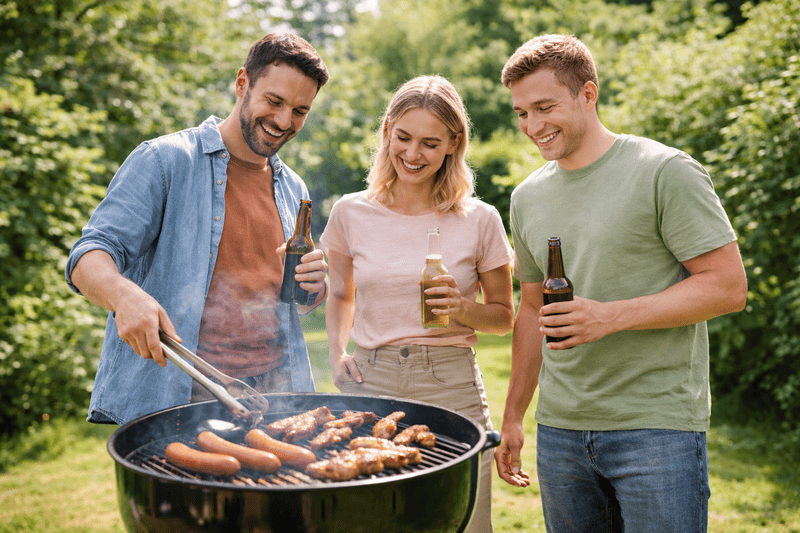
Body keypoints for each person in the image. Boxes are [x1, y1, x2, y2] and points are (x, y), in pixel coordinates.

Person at [493, 34, 748, 532]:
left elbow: (726, 287)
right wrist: (515, 416)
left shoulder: (665, 172)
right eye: (522, 113)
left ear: (588, 94)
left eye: (544, 107)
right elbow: (529, 310)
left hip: (656, 428)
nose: (533, 126)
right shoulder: (527, 196)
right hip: (562, 431)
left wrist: (608, 317)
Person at [66, 33, 330, 426]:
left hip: (276, 390)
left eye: (299, 111)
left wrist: (313, 288)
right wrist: (124, 296)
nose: (283, 121)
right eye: (274, 102)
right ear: (243, 83)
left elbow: (282, 300)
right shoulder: (164, 161)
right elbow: (89, 255)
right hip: (183, 392)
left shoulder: (293, 188)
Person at [321, 75, 514, 533]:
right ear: (387, 130)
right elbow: (340, 292)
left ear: (454, 143)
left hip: (449, 382)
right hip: (372, 378)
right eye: (403, 138)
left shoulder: (480, 219)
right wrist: (336, 352)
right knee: (368, 521)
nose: (412, 154)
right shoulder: (351, 211)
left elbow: (505, 317)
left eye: (430, 143)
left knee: (464, 522)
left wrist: (463, 309)